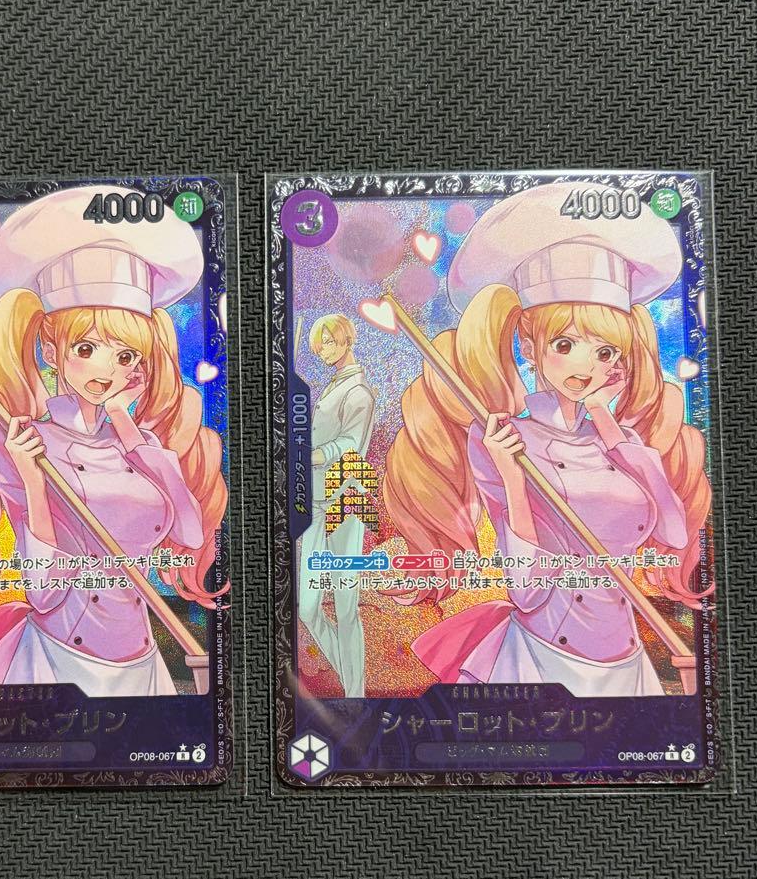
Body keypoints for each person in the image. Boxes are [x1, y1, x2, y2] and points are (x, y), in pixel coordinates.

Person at [384, 182, 711, 697]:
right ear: (529, 345)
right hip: (543, 658)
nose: (587, 364)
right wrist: (512, 478)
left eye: (605, 352)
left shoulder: (620, 440)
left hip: (627, 658)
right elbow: (527, 588)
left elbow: (671, 532)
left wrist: (606, 421)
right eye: (565, 344)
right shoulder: (503, 437)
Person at [0, 187, 227, 696]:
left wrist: (125, 423)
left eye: (126, 356)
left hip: (141, 658)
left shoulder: (137, 443)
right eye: (87, 347)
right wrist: (33, 481)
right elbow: (43, 590)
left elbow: (188, 531)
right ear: (51, 349)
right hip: (60, 659)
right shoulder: (24, 440)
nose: (107, 369)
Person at [298, 313, 376, 697]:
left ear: (346, 340)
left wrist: (312, 455)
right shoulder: (333, 387)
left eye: (329, 342)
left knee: (346, 607)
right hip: (317, 501)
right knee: (307, 608)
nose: (324, 351)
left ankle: (355, 696)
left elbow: (351, 444)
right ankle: (351, 683)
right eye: (320, 345)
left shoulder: (359, 392)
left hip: (345, 502)